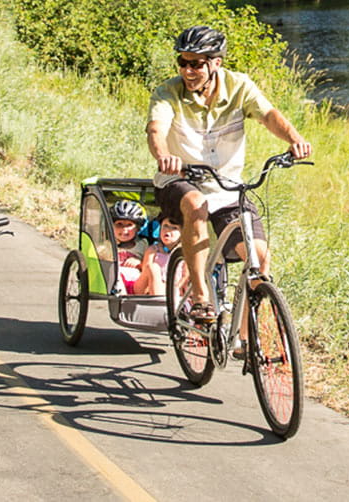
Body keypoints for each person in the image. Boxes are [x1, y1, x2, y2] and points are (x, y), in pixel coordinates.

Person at [145, 24, 311, 323]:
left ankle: (247, 343)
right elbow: (156, 129)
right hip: (178, 180)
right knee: (196, 205)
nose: (188, 70)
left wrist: (294, 140)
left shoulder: (239, 86)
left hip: (226, 187)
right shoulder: (167, 92)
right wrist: (164, 156)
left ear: (216, 63)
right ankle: (199, 298)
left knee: (259, 258)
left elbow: (269, 116)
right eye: (182, 62)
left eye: (196, 64)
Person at [108, 199, 160, 297]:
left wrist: (139, 264)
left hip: (137, 284)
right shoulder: (107, 246)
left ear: (137, 228)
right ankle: (122, 302)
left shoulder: (143, 244)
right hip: (115, 284)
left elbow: (147, 266)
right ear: (112, 226)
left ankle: (158, 302)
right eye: (119, 224)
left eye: (129, 225)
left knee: (153, 268)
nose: (124, 229)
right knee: (114, 269)